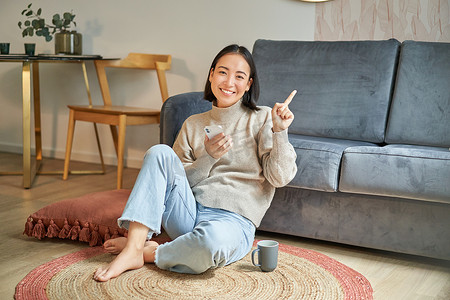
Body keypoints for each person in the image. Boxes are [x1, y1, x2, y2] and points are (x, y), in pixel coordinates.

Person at [94, 44, 297, 282]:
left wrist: (280, 132)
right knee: (159, 152)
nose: (229, 82)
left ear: (249, 84)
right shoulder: (193, 124)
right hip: (187, 213)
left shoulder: (263, 118)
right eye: (222, 72)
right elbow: (175, 183)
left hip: (232, 222)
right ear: (211, 75)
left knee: (209, 245)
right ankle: (134, 247)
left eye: (239, 76)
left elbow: (280, 178)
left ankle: (149, 252)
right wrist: (208, 157)